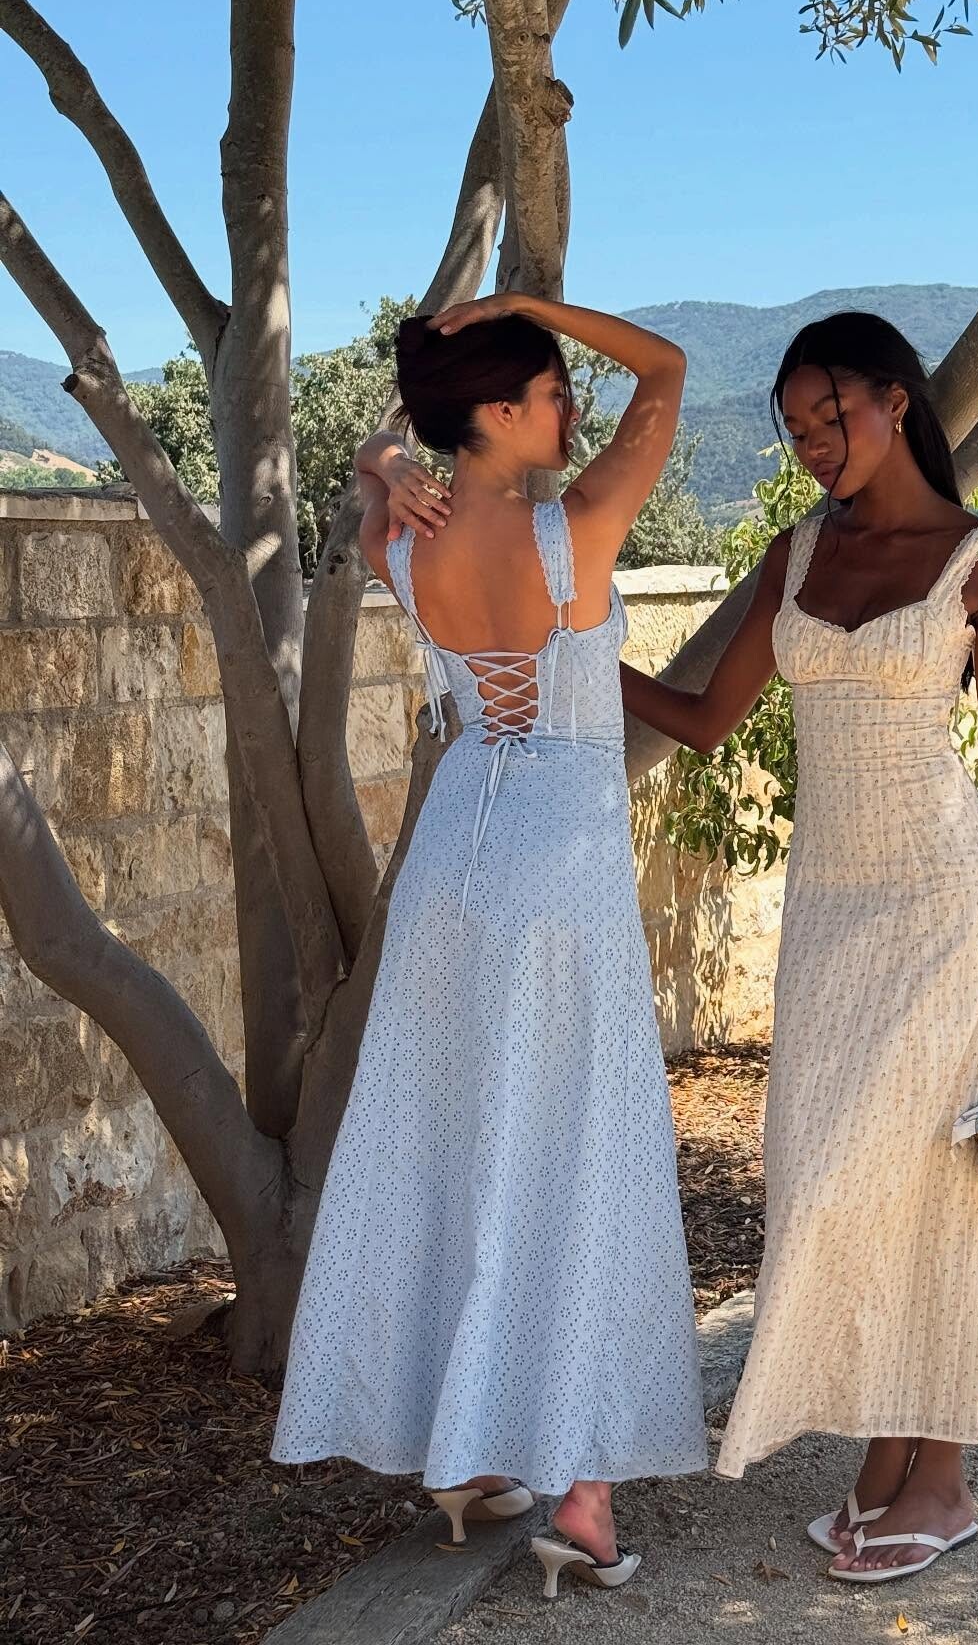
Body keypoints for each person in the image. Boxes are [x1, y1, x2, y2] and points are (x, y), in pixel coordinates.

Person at [620, 310, 978, 1586]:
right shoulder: (798, 552)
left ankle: (942, 1475)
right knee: (827, 1175)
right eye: (795, 428)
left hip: (945, 905)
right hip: (831, 919)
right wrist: (566, 656)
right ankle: (889, 1455)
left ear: (896, 401)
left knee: (928, 1177)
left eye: (832, 415)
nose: (815, 443)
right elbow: (704, 718)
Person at [271, 293, 708, 1602]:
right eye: (552, 391)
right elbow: (669, 372)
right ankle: (581, 1494)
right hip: (558, 868)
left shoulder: (405, 542)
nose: (572, 410)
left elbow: (368, 480)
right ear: (500, 412)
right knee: (576, 1151)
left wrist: (387, 458)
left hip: (450, 866)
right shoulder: (578, 532)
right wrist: (526, 301)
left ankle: (467, 1453)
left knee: (453, 1136)